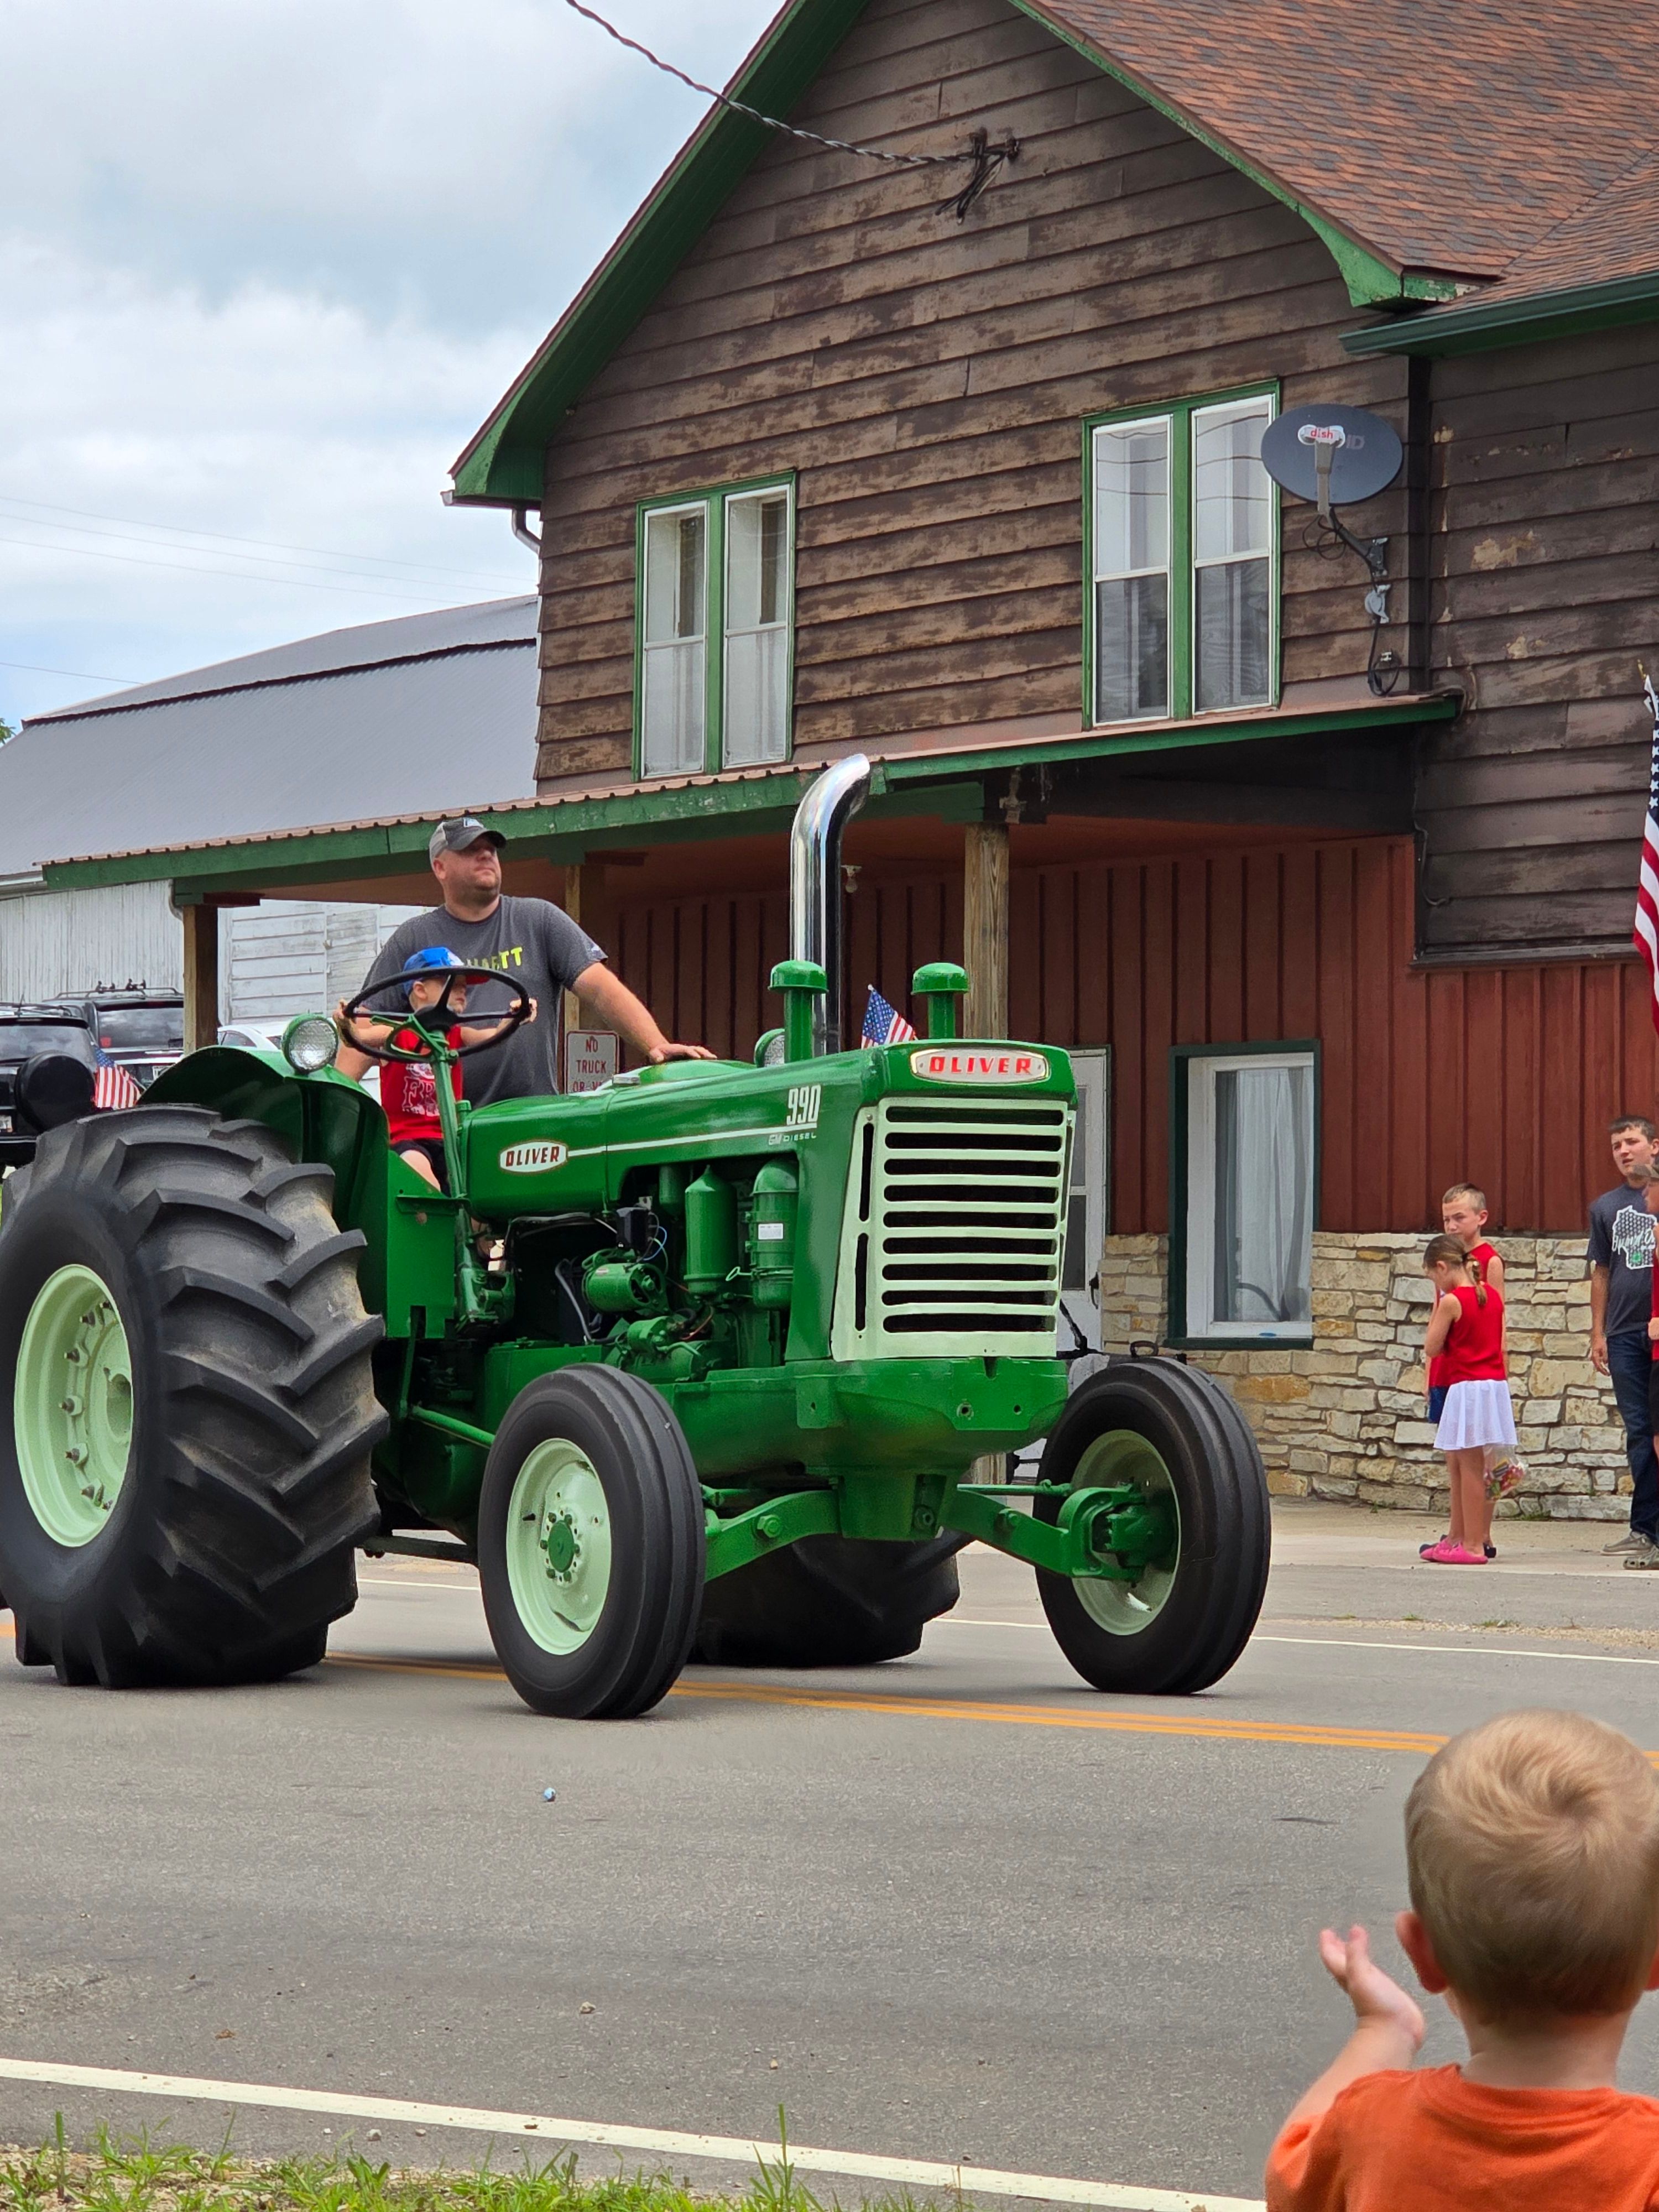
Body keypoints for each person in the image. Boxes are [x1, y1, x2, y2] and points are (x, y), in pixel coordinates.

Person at [1266, 1708, 1659, 2211]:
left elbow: (1290, 2177)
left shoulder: (1371, 2130)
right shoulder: (1645, 2167)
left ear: (1424, 1955)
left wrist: (1381, 2031)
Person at [336, 815, 713, 1104]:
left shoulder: (538, 920)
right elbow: (364, 1026)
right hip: (441, 1129)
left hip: (529, 1121)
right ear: (440, 868)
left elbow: (600, 989)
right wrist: (335, 1096)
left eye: (491, 849)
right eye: (470, 849)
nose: (486, 855)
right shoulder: (414, 939)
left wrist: (655, 1045)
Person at [336, 947, 534, 1192]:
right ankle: (434, 1218)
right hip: (407, 1140)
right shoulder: (397, 1034)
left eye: (465, 986)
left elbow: (493, 1036)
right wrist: (347, 1026)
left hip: (452, 1139)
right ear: (420, 990)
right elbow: (360, 1037)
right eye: (454, 984)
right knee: (425, 1186)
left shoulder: (457, 1034)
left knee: (483, 1188)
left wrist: (513, 1018)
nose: (464, 991)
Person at [1421, 1183, 1521, 1562]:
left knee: (1475, 1463)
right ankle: (1457, 1534)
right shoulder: (1462, 1278)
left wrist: (1501, 1371)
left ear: (1480, 1217)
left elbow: (1495, 1330)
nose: (1452, 1225)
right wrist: (1429, 1374)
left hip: (1471, 1375)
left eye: (1459, 1217)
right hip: (1458, 1374)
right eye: (1447, 1218)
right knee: (1458, 1461)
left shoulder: (1482, 1268)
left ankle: (1477, 1538)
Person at [1589, 1116, 1659, 1561]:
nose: (1623, 1151)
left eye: (1631, 1142)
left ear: (1654, 1146)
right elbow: (1601, 1271)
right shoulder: (1605, 1207)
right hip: (1624, 1330)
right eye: (1616, 1145)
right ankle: (1643, 1527)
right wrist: (1598, 1332)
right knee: (1639, 1431)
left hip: (1657, 1331)